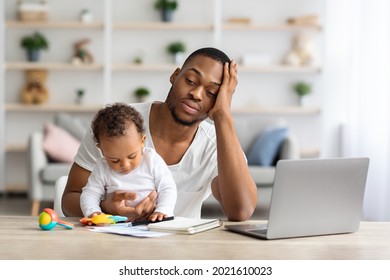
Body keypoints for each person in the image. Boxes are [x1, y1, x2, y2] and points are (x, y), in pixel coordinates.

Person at [62, 47, 257, 221]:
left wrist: (223, 116)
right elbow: (69, 200)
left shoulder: (216, 144)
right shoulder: (113, 126)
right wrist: (106, 208)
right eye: (190, 80)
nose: (197, 94)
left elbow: (240, 211)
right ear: (175, 76)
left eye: (212, 93)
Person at [80, 103, 177, 221]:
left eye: (132, 156)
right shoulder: (102, 167)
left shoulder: (151, 159)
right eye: (115, 160)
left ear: (142, 141)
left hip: (151, 222)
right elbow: (90, 193)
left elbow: (168, 188)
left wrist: (162, 210)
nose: (125, 165)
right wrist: (93, 212)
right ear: (101, 149)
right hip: (117, 224)